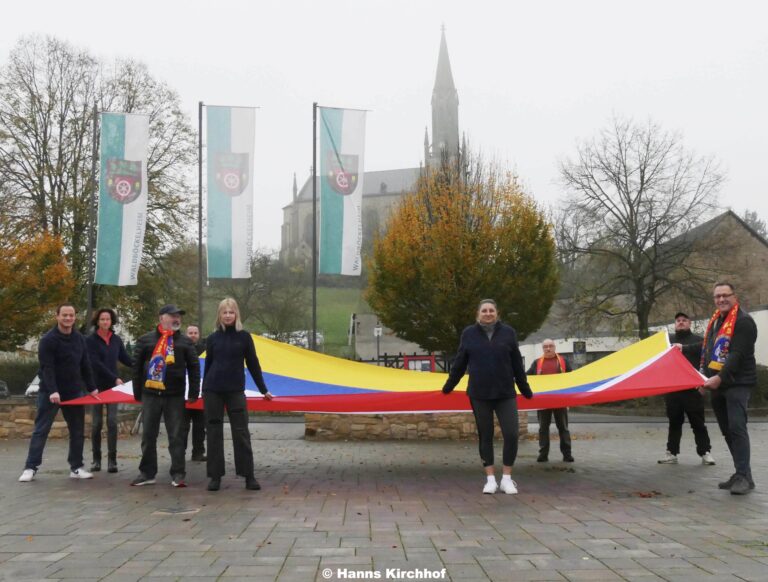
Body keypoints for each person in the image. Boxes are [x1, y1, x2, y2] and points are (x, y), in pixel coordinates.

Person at [441, 299, 532, 495]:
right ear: (478, 314)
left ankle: (507, 478)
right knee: (486, 435)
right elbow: (460, 362)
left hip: (505, 393)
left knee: (511, 434)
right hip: (479, 393)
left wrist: (524, 388)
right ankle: (490, 478)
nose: (488, 313)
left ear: (497, 313)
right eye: (484, 310)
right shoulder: (468, 334)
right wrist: (449, 386)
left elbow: (517, 362)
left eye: (491, 310)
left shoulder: (508, 333)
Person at [678, 282, 757, 495]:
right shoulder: (716, 321)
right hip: (717, 384)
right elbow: (708, 349)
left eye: (725, 295)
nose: (721, 299)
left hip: (737, 383)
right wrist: (703, 377)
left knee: (737, 428)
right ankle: (743, 474)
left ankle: (743, 476)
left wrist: (719, 378)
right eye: (717, 296)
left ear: (734, 296)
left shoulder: (743, 322)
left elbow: (737, 355)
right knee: (727, 430)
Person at [19, 303, 98, 482]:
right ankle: (30, 468)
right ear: (57, 316)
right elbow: (47, 368)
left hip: (74, 392)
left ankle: (76, 467)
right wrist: (53, 391)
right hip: (50, 393)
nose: (68, 318)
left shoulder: (79, 339)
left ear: (74, 317)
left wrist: (92, 388)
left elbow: (85, 365)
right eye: (64, 315)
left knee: (77, 430)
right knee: (41, 430)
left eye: (71, 315)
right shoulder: (48, 340)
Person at [203, 298, 273, 492]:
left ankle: (248, 476)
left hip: (235, 391)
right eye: (224, 312)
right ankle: (215, 476)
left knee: (241, 432)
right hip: (213, 390)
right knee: (214, 434)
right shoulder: (212, 338)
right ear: (219, 315)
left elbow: (253, 364)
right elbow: (208, 365)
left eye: (231, 312)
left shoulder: (244, 337)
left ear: (236, 315)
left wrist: (263, 389)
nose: (227, 315)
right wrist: (203, 389)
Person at [131, 304, 200, 487]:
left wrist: (194, 392)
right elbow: (136, 368)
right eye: (172, 316)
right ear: (161, 318)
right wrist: (137, 393)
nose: (176, 319)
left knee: (176, 436)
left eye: (178, 316)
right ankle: (147, 473)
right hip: (150, 395)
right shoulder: (145, 340)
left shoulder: (185, 342)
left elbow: (194, 368)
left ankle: (178, 473)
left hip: (175, 396)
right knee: (148, 436)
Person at [658, 311, 715, 466]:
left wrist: (704, 383)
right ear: (675, 324)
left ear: (689, 323)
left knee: (698, 423)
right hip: (673, 390)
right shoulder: (666, 341)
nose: (681, 322)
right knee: (674, 423)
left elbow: (707, 359)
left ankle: (705, 452)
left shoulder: (699, 341)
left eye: (684, 320)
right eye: (678, 320)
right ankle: (671, 453)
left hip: (693, 390)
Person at [86, 308, 134, 473]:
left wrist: (144, 366)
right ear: (97, 321)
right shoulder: (90, 340)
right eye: (102, 319)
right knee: (97, 423)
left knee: (112, 422)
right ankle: (96, 460)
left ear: (111, 321)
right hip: (96, 387)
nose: (105, 322)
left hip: (113, 388)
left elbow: (126, 358)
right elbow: (95, 363)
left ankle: (112, 460)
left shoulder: (116, 340)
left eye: (108, 319)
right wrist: (114, 377)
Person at [527, 339, 574, 463]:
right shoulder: (536, 363)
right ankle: (543, 454)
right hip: (542, 402)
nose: (548, 349)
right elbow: (527, 378)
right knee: (543, 428)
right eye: (545, 347)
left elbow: (573, 379)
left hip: (560, 401)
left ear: (555, 347)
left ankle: (567, 454)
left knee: (563, 428)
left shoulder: (564, 361)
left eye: (550, 346)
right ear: (543, 348)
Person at [182, 324, 206, 462]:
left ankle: (198, 452)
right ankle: (180, 452)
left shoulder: (205, 351)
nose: (193, 335)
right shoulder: (180, 349)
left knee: (200, 426)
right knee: (183, 427)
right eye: (190, 333)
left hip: (200, 394)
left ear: (199, 334)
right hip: (183, 395)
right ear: (186, 334)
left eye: (195, 333)